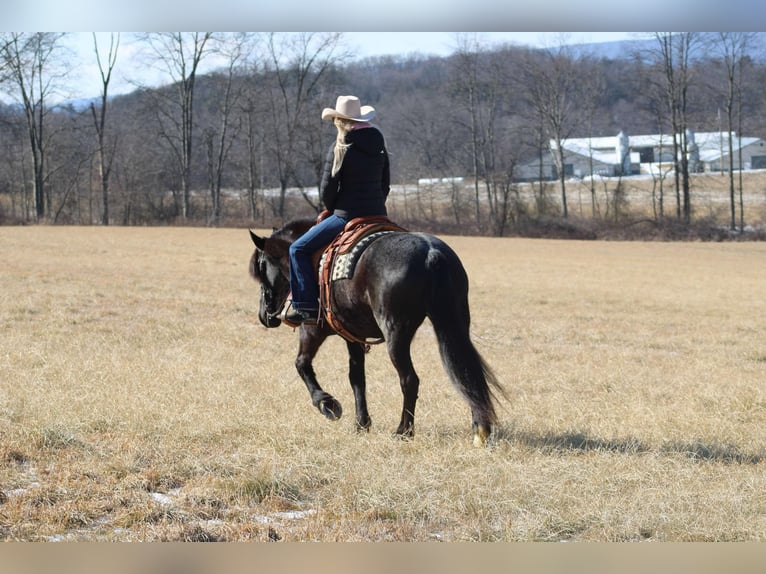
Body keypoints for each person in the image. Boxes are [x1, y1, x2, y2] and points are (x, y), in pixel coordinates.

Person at [286, 95, 391, 325]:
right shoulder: (379, 146)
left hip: (347, 216)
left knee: (298, 249)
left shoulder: (340, 147)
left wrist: (336, 211)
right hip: (379, 214)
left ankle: (305, 306)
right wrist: (376, 205)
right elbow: (386, 184)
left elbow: (327, 190)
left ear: (340, 121)